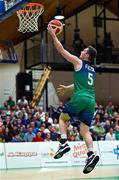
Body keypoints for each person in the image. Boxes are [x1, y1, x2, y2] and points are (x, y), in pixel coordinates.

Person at [48, 24, 99, 174]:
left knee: (63, 119)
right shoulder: (92, 69)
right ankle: (91, 154)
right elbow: (82, 85)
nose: (82, 51)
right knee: (85, 131)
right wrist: (68, 88)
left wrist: (53, 35)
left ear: (87, 55)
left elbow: (62, 51)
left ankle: (63, 143)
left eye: (84, 51)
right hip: (91, 101)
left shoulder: (79, 62)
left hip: (82, 97)